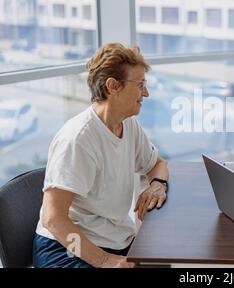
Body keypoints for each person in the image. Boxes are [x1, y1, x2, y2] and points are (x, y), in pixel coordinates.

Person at [32, 43, 169, 268]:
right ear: (113, 86)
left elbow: (157, 164)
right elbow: (53, 219)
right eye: (140, 84)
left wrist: (158, 184)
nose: (146, 92)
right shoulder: (78, 139)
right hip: (66, 247)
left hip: (113, 239)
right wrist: (104, 260)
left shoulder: (129, 125)